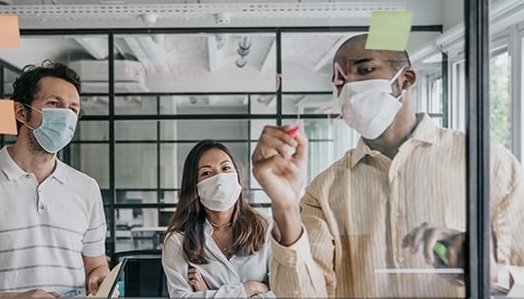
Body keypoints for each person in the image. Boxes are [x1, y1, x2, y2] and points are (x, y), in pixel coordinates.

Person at [251, 33, 524, 298]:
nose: (350, 87)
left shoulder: (486, 163)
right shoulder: (324, 191)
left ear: (406, 79)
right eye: (340, 81)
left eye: (365, 69)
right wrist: (285, 206)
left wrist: (492, 276)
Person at [0, 61, 110, 298]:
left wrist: (100, 278)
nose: (66, 116)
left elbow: (96, 264)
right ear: (21, 112)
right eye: (54, 104)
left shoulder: (86, 188)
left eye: (73, 109)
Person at [162, 140, 275, 298]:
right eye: (206, 173)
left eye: (226, 168)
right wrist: (250, 288)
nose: (220, 179)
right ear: (194, 186)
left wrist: (208, 294)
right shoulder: (178, 240)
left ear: (237, 175)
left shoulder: (266, 228)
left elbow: (282, 291)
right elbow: (181, 297)